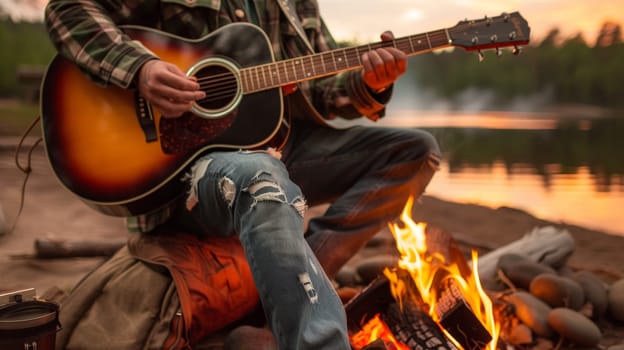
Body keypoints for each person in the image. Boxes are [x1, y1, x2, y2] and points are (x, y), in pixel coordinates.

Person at [44, 0, 441, 348]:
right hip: (188, 169)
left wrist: (367, 83)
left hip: (279, 146)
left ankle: (290, 296)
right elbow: (68, 10)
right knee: (261, 177)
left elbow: (322, 86)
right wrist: (140, 68)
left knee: (415, 152)